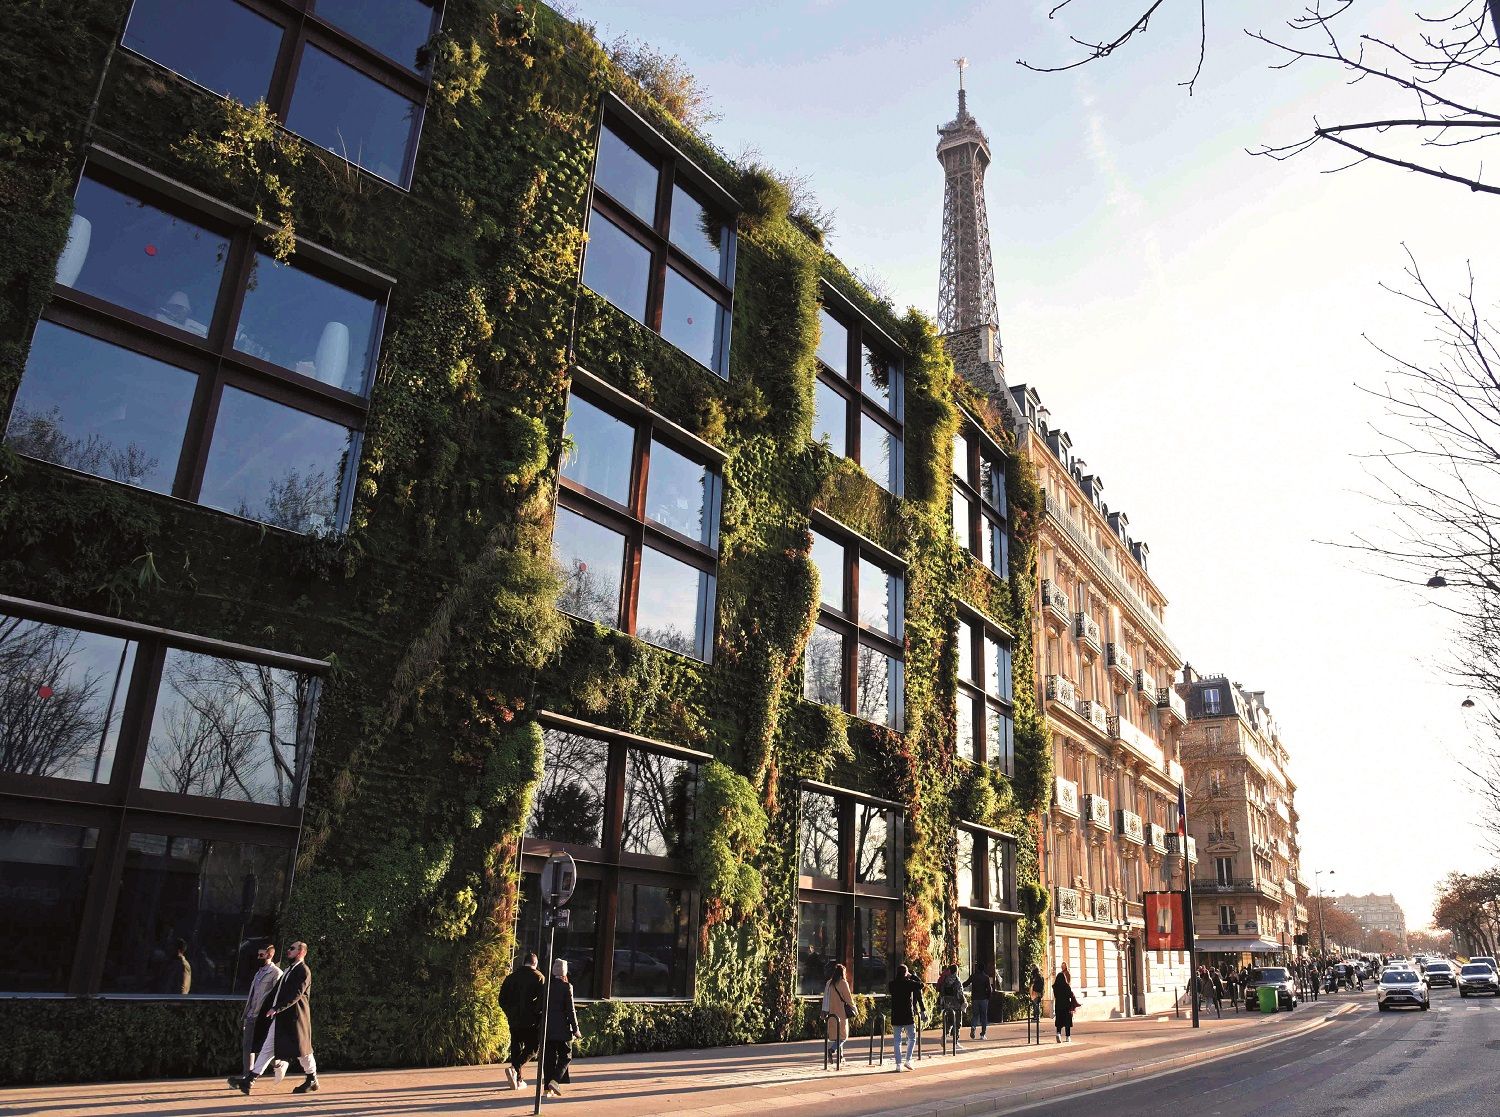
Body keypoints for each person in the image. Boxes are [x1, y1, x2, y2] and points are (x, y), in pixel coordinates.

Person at [231, 940, 317, 1095]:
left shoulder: (303, 971)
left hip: (296, 1018)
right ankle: (250, 1080)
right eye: (289, 948)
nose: (288, 951)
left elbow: (296, 995)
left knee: (303, 1051)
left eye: (292, 949)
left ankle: (311, 1078)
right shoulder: (288, 970)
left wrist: (277, 1008)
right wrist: (269, 1008)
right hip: (282, 1018)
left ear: (301, 952)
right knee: (267, 1048)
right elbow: (276, 993)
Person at [237, 942, 287, 1084]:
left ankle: (279, 1064)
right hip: (252, 1015)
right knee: (248, 1046)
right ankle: (247, 1076)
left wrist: (273, 1012)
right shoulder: (258, 973)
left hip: (264, 1016)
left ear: (270, 954)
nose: (258, 957)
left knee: (263, 1048)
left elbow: (278, 995)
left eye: (261, 954)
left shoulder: (276, 973)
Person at [499, 953, 546, 1090]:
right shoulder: (539, 977)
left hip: (514, 1019)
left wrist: (510, 1012)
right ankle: (515, 1068)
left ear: (523, 962)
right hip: (530, 1020)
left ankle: (518, 1079)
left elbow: (502, 999)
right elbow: (542, 1002)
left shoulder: (511, 978)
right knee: (533, 1047)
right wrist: (536, 1014)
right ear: (535, 963)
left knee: (516, 1047)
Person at [542, 958, 581, 1097]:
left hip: (547, 1028)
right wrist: (576, 1029)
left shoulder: (546, 986)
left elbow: (540, 1007)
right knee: (566, 1056)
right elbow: (571, 1010)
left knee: (549, 1059)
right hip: (563, 1029)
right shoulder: (567, 987)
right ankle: (555, 1081)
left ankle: (547, 1089)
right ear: (564, 972)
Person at [887, 963, 924, 1071]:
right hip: (908, 1015)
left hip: (896, 1015)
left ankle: (898, 1064)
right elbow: (921, 984)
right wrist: (911, 976)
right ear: (905, 973)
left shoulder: (892, 984)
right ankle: (908, 1060)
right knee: (912, 1038)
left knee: (897, 1041)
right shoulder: (909, 983)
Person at [822, 962, 854, 1067]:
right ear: (842, 973)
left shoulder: (829, 983)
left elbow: (825, 999)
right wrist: (854, 1009)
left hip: (832, 1013)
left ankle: (841, 1057)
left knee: (837, 1036)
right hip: (841, 1013)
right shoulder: (843, 983)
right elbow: (849, 999)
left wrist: (824, 1011)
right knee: (843, 1036)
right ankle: (831, 1050)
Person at [937, 964, 966, 1052]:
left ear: (949, 970)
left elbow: (941, 991)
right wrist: (963, 1002)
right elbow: (960, 994)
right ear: (956, 971)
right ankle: (955, 1042)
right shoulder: (957, 981)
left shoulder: (945, 980)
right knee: (957, 1024)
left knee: (948, 1022)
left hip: (947, 1004)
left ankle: (944, 1036)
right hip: (956, 1005)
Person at [1052, 965, 1079, 1043]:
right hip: (1066, 1005)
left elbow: (1056, 995)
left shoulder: (1055, 987)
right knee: (1067, 1021)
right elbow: (1070, 995)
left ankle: (1058, 1034)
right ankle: (1068, 1037)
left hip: (1058, 1005)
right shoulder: (1067, 986)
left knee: (1059, 1020)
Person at [966, 966, 995, 1039]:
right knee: (983, 1017)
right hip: (983, 999)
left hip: (975, 999)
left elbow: (966, 983)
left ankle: (973, 1026)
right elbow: (989, 989)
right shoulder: (986, 977)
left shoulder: (973, 976)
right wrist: (988, 997)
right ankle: (982, 1034)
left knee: (975, 1015)